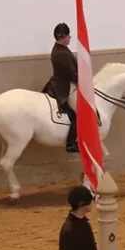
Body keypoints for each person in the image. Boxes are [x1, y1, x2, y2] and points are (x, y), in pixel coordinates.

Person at [43, 23, 79, 153]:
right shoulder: (61, 53)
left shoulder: (61, 49)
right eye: (68, 35)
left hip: (66, 84)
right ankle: (70, 144)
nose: (70, 38)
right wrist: (82, 81)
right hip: (61, 87)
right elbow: (70, 73)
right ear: (62, 37)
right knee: (76, 115)